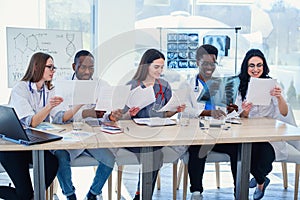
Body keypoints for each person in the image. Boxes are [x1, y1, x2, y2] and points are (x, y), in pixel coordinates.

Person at [0, 52, 80, 200]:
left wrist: (78, 105)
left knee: (52, 163)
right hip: (14, 146)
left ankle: (34, 197)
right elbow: (31, 122)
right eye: (50, 67)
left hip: (32, 144)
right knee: (24, 195)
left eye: (53, 67)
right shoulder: (21, 89)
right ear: (37, 67)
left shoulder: (48, 89)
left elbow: (59, 117)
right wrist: (49, 107)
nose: (53, 70)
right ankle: (28, 196)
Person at [53, 50, 122, 200]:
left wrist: (110, 115)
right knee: (59, 157)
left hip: (92, 137)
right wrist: (85, 113)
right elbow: (58, 117)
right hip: (68, 137)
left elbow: (107, 113)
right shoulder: (62, 85)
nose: (87, 72)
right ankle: (70, 194)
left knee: (109, 159)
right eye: (83, 67)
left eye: (91, 68)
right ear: (74, 67)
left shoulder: (101, 84)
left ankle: (93, 194)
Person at [121, 48, 185, 200]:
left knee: (155, 153)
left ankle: (142, 194)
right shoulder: (131, 85)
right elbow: (120, 118)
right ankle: (142, 194)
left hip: (157, 135)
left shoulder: (164, 85)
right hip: (134, 136)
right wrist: (129, 114)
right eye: (156, 67)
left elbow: (165, 113)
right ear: (146, 66)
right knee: (153, 154)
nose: (160, 71)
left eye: (162, 67)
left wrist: (175, 110)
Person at [183, 44, 239, 200]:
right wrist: (207, 112)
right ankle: (196, 192)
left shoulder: (221, 83)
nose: (209, 67)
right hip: (198, 133)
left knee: (238, 149)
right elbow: (184, 109)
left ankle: (239, 191)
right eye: (205, 63)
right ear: (197, 62)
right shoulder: (188, 85)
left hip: (220, 133)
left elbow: (226, 111)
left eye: (212, 63)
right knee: (197, 149)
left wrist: (231, 109)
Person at [236, 49, 289, 200]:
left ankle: (259, 179)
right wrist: (246, 111)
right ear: (246, 68)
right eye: (251, 65)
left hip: (269, 132)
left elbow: (284, 112)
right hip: (248, 131)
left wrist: (279, 98)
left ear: (264, 66)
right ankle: (261, 180)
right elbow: (241, 117)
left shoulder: (272, 84)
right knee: (246, 154)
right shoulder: (241, 86)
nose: (255, 69)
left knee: (265, 155)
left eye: (259, 65)